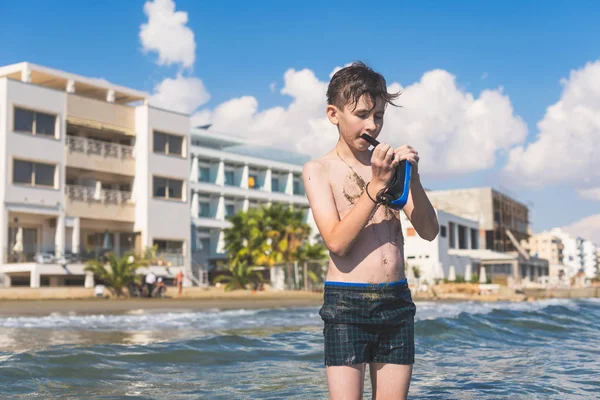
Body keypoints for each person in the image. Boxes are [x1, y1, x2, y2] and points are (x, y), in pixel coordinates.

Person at [302, 62, 439, 400]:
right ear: (333, 114)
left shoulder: (389, 169)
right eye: (362, 114)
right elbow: (337, 242)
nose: (372, 124)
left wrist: (412, 180)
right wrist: (375, 185)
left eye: (378, 115)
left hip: (396, 301)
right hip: (346, 304)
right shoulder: (319, 170)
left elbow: (429, 231)